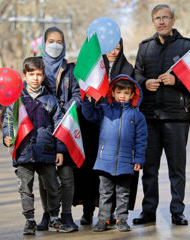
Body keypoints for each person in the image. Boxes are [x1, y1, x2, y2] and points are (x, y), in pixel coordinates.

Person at [133, 4, 190, 226]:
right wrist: (143, 82)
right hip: (149, 118)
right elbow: (136, 72)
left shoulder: (188, 47)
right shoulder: (145, 48)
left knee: (176, 168)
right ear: (153, 22)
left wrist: (177, 81)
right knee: (149, 169)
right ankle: (148, 211)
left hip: (177, 118)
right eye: (157, 18)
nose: (161, 21)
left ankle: (177, 211)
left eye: (165, 17)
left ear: (173, 20)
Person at [2, 57, 74, 235]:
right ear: (24, 76)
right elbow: (8, 123)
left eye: (39, 74)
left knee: (53, 186)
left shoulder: (51, 101)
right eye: (31, 74)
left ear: (43, 77)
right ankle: (29, 220)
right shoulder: (16, 101)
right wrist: (7, 137)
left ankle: (54, 218)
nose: (35, 78)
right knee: (25, 188)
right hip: (23, 152)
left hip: (46, 152)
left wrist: (60, 150)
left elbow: (59, 128)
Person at [74, 38, 135, 227]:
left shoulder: (127, 68)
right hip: (91, 124)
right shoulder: (94, 66)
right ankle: (88, 210)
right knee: (90, 170)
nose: (114, 52)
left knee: (113, 173)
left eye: (118, 48)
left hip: (116, 125)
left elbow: (131, 95)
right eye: (110, 48)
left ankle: (108, 213)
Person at [82, 75, 147, 232]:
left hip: (126, 162)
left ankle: (122, 219)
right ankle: (103, 219)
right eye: (119, 92)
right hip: (105, 161)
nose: (122, 96)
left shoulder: (137, 116)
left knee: (123, 193)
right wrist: (87, 98)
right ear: (113, 93)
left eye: (126, 93)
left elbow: (141, 140)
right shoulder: (105, 111)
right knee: (105, 193)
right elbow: (89, 114)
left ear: (132, 95)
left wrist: (138, 158)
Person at [37, 27, 81, 232]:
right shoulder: (36, 68)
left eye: (59, 41)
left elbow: (77, 95)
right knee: (45, 175)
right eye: (51, 41)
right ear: (44, 43)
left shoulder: (70, 69)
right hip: (43, 127)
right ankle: (48, 214)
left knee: (66, 175)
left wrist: (64, 109)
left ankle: (66, 215)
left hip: (65, 126)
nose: (55, 45)